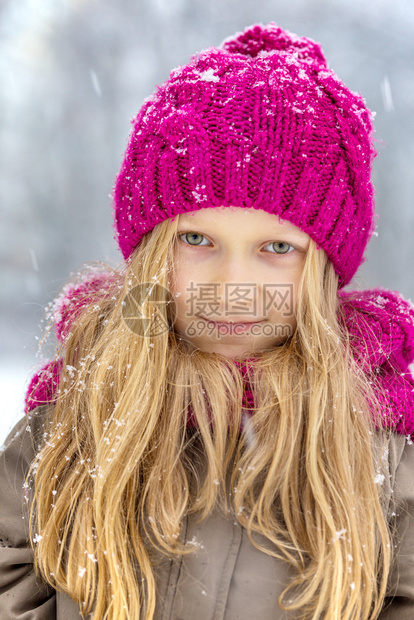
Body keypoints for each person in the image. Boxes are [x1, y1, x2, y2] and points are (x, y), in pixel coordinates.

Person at [1, 21, 414, 620]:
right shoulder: (78, 413)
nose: (230, 283)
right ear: (149, 255)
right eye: (197, 238)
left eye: (276, 248)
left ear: (324, 267)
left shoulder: (376, 442)